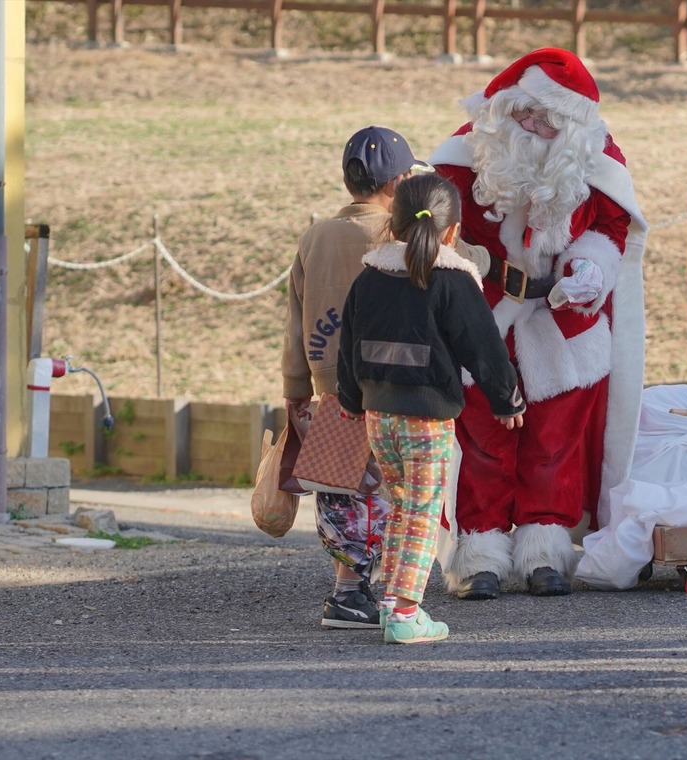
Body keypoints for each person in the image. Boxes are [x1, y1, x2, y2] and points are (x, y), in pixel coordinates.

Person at [429, 47, 648, 600]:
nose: (531, 126)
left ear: (571, 126)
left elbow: (612, 228)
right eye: (523, 112)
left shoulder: (599, 156)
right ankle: (479, 553)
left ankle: (545, 550)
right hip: (483, 316)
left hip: (563, 321)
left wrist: (590, 270)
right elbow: (434, 231)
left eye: (546, 120)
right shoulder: (463, 155)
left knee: (554, 442)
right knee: (482, 438)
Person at [335, 173, 527, 644]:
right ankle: (405, 612)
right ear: (453, 230)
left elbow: (349, 343)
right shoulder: (453, 279)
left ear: (392, 225)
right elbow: (484, 346)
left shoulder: (370, 276)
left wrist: (351, 400)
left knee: (402, 508)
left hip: (379, 416)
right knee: (422, 512)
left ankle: (390, 604)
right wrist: (507, 399)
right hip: (426, 418)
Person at [281, 125, 428, 630]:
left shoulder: (315, 236)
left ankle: (347, 591)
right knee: (394, 488)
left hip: (330, 384)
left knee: (341, 488)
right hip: (394, 379)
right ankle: (384, 593)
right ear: (397, 182)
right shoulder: (402, 234)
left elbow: (294, 320)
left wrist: (296, 389)